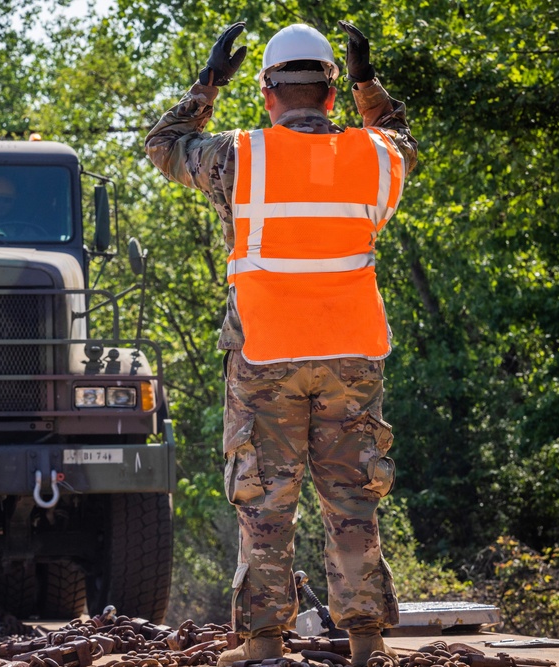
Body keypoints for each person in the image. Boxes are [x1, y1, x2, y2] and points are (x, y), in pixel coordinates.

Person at [145, 20, 418, 667]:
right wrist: (368, 84)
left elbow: (163, 143)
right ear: (331, 94)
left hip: (267, 353)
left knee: (266, 502)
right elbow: (402, 139)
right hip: (353, 356)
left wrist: (208, 83)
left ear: (267, 91)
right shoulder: (373, 157)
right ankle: (367, 641)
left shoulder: (239, 158)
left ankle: (265, 643)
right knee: (352, 498)